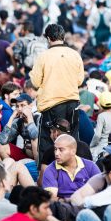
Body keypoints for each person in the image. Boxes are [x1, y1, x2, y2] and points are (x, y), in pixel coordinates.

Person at [30, 24, 84, 163]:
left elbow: (35, 82)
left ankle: (47, 177)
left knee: (48, 143)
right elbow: (79, 80)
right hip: (72, 104)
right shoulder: (75, 55)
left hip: (51, 105)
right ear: (63, 37)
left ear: (48, 39)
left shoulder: (43, 56)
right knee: (71, 141)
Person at [43, 134, 101, 199]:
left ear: (73, 151)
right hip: (64, 207)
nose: (56, 153)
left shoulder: (91, 166)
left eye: (61, 150)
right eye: (55, 149)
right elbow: (51, 199)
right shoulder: (50, 170)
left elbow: (101, 192)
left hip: (89, 204)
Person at [0, 93, 39, 162]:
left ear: (31, 106)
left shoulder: (38, 118)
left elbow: (34, 135)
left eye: (22, 105)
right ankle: (12, 169)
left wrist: (29, 117)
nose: (19, 109)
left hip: (40, 157)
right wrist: (11, 117)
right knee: (1, 147)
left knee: (34, 140)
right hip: (26, 155)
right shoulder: (18, 121)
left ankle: (38, 170)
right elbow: (3, 141)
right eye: (17, 106)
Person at [90, 91, 111, 159]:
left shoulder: (101, 116)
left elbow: (97, 135)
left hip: (103, 145)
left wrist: (91, 145)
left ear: (100, 104)